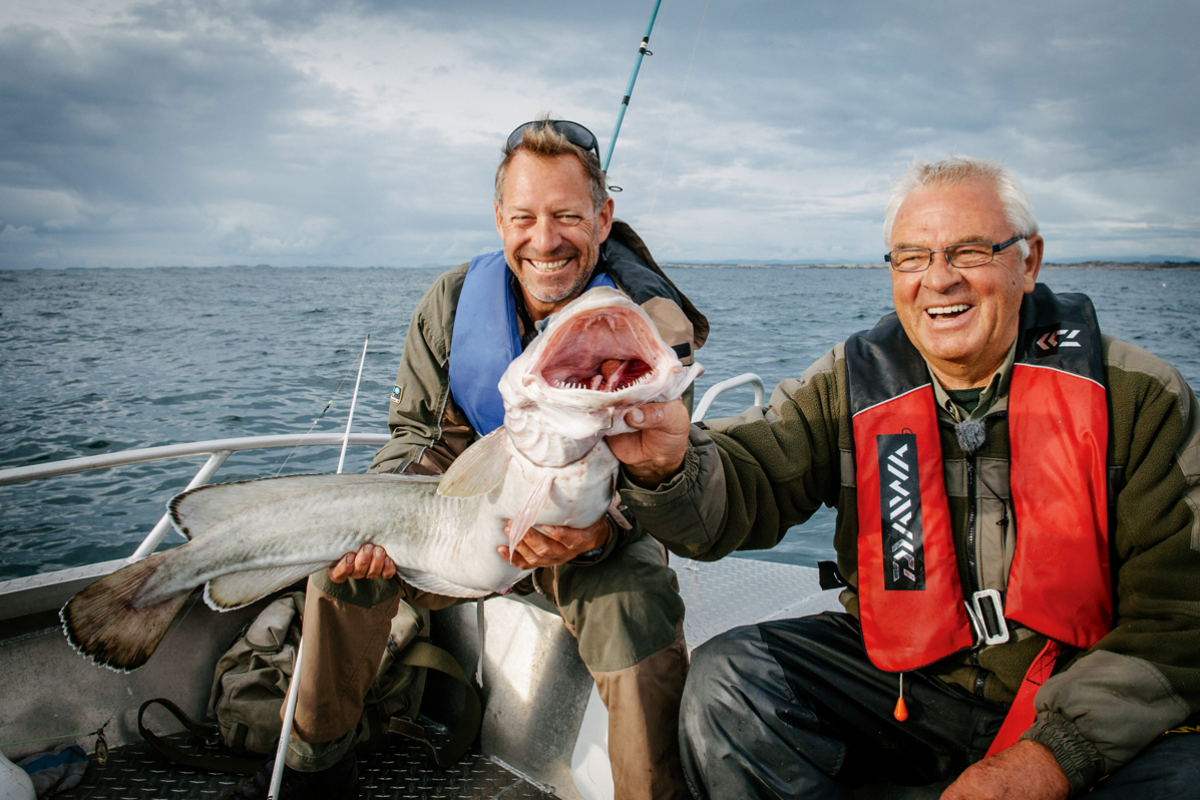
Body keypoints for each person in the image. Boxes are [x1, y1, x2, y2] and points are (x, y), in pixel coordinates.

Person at [608, 156, 1200, 798]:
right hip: (904, 689)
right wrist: (667, 464)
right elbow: (750, 480)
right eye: (911, 257)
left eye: (969, 251)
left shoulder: (1141, 397)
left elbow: (1180, 619)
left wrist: (1049, 759)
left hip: (1078, 698)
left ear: (1027, 262)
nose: (939, 280)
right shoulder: (852, 384)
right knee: (728, 682)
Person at [221, 118, 705, 800]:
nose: (545, 240)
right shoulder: (451, 304)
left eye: (568, 215)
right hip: (470, 514)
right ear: (499, 220)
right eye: (524, 216)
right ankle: (316, 778)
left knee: (640, 613)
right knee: (341, 577)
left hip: (593, 532)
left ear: (603, 218)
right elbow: (416, 435)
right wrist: (387, 511)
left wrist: (603, 532)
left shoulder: (649, 325)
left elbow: (671, 475)